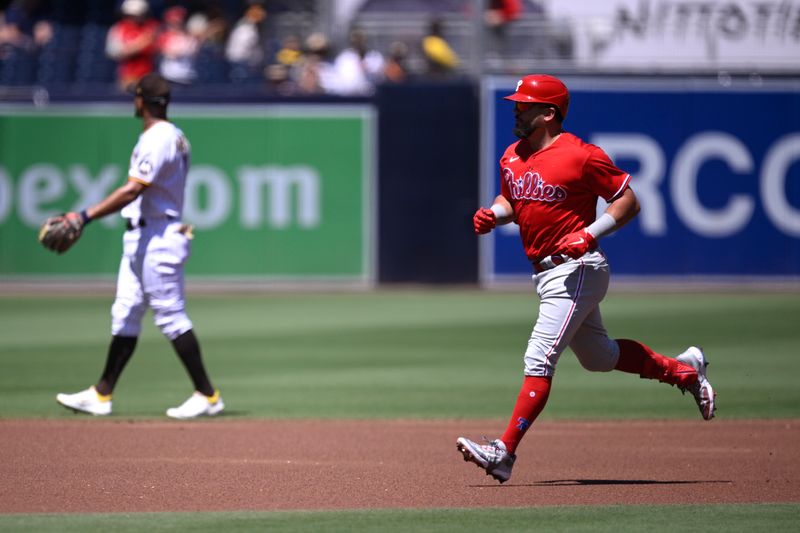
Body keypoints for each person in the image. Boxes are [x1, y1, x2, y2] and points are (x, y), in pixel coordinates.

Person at [456, 74, 716, 483]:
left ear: (549, 112)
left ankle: (503, 451)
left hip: (577, 269)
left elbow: (628, 200)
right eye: (516, 102)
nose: (516, 109)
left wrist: (590, 232)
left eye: (524, 104)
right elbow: (513, 197)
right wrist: (495, 214)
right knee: (599, 358)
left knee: (539, 357)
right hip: (547, 274)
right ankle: (683, 371)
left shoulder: (581, 155)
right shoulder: (511, 155)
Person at [55, 73, 225, 420]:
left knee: (171, 317)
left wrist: (83, 217)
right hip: (143, 235)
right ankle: (102, 393)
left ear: (140, 100)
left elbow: (133, 189)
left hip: (158, 237)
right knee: (126, 311)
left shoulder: (158, 138)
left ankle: (207, 395)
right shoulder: (171, 134)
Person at [105, 0, 159, 90]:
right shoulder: (119, 28)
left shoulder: (152, 27)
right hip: (128, 76)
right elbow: (113, 52)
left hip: (151, 74)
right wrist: (140, 45)